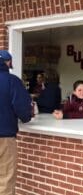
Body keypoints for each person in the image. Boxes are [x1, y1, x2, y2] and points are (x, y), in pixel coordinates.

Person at [0, 50, 32, 195]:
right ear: (8, 62)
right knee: (5, 179)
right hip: (4, 137)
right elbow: (23, 108)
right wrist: (27, 118)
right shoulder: (12, 80)